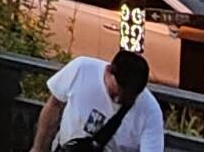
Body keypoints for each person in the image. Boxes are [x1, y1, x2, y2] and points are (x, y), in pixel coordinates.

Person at [31, 46, 164, 152]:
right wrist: (39, 148)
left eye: (127, 99)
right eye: (114, 93)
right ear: (108, 71)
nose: (117, 100)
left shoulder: (150, 111)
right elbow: (54, 105)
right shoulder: (82, 68)